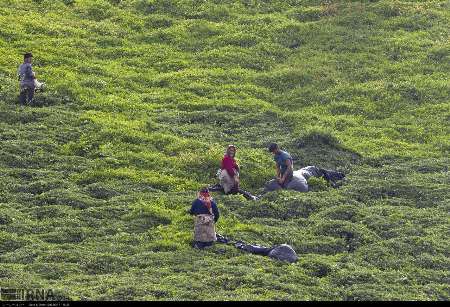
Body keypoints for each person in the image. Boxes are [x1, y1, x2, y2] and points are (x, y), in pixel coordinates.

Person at [264, 143, 345, 193]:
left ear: (277, 148)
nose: (273, 153)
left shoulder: (285, 156)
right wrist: (278, 177)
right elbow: (278, 166)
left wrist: (283, 177)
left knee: (324, 173)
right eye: (272, 152)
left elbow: (289, 168)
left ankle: (339, 176)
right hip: (285, 173)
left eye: (274, 151)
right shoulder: (276, 156)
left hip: (289, 174)